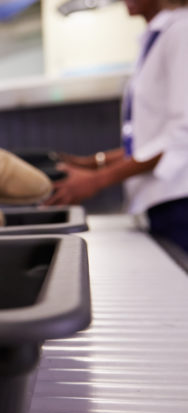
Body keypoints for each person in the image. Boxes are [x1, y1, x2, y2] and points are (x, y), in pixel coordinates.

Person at [45, 0, 188, 252]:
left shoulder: (182, 32)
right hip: (164, 203)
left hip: (180, 202)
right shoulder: (157, 36)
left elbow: (180, 135)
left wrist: (97, 179)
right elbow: (151, 140)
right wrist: (90, 163)